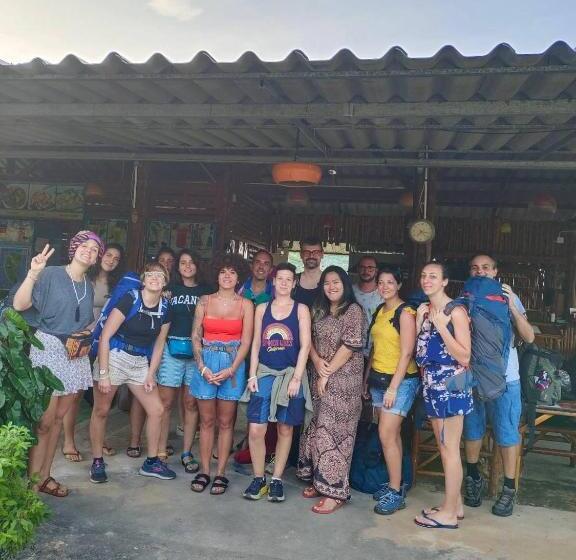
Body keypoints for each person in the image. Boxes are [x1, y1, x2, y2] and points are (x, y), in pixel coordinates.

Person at [13, 231, 104, 497]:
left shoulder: (88, 285)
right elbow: (20, 304)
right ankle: (32, 483)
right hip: (49, 349)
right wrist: (33, 273)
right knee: (44, 422)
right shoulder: (51, 274)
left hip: (74, 353)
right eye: (84, 245)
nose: (89, 251)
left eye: (94, 249)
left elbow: (83, 320)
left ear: (96, 259)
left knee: (57, 421)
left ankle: (44, 476)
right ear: (74, 248)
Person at [89, 261, 176, 483]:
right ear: (143, 279)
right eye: (150, 274)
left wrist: (151, 374)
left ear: (165, 281)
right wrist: (104, 373)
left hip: (139, 362)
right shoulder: (131, 298)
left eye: (160, 275)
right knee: (101, 410)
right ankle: (97, 461)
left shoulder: (165, 307)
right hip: (115, 356)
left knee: (156, 410)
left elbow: (159, 343)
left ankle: (152, 461)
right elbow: (106, 336)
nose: (155, 278)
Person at [463, 254, 534, 517]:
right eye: (475, 268)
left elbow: (529, 336)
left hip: (507, 378)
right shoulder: (465, 296)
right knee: (472, 430)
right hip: (472, 376)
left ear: (495, 271)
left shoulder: (508, 297)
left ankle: (509, 488)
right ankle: (473, 477)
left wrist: (513, 306)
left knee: (507, 433)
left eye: (485, 268)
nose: (480, 272)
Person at [297, 266, 365, 514]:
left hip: (344, 381)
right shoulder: (320, 309)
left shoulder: (353, 310)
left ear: (345, 284)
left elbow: (349, 347)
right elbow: (309, 340)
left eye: (336, 282)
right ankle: (320, 480)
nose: (331, 286)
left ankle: (335, 492)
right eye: (327, 283)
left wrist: (326, 373)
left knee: (336, 434)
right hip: (319, 376)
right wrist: (316, 362)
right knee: (318, 429)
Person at [242, 262, 312, 502]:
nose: (283, 283)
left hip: (290, 375)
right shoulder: (262, 308)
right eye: (279, 278)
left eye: (288, 279)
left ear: (294, 283)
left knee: (285, 428)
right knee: (256, 428)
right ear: (273, 281)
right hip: (264, 373)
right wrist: (252, 374)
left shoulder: (301, 309)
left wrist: (297, 378)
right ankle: (258, 477)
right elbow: (255, 344)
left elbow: (305, 346)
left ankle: (276, 479)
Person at [190, 254, 254, 495]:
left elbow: (246, 341)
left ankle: (221, 473)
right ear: (216, 275)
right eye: (223, 271)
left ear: (239, 277)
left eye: (232, 272)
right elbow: (195, 336)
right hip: (206, 361)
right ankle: (205, 470)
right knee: (206, 421)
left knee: (226, 422)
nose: (227, 276)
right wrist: (202, 367)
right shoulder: (204, 301)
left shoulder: (246, 304)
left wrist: (232, 368)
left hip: (232, 362)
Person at [413, 262, 472, 529]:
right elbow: (421, 352)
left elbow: (465, 356)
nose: (427, 280)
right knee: (444, 447)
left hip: (451, 388)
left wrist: (442, 327)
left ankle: (448, 514)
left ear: (445, 281)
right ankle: (454, 505)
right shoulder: (425, 310)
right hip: (433, 386)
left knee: (450, 450)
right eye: (424, 275)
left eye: (433, 276)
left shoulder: (455, 312)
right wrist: (420, 322)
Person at [61, 243, 125, 463]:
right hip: (82, 341)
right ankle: (69, 441)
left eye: (116, 258)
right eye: (108, 255)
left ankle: (98, 439)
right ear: (99, 256)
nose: (111, 260)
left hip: (105, 344)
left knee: (102, 398)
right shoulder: (84, 277)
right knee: (75, 394)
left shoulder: (119, 285)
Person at [364, 267, 419, 515]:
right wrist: (366, 379)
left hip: (401, 382)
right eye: (381, 282)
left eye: (390, 282)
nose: (384, 286)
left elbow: (407, 352)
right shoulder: (380, 310)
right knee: (391, 434)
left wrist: (393, 388)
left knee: (386, 434)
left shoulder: (405, 313)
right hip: (379, 378)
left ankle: (396, 492)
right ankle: (395, 483)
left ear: (399, 285)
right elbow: (375, 348)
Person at [156, 250, 210, 471]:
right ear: (177, 267)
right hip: (171, 348)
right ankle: (160, 450)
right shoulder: (169, 289)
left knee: (190, 403)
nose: (187, 266)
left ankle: (187, 452)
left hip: (196, 352)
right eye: (183, 262)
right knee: (165, 402)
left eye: (191, 262)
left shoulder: (206, 291)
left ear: (198, 265)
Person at [127, 246, 177, 457]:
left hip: (162, 348)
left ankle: (155, 448)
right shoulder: (139, 292)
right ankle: (134, 441)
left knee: (156, 397)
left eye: (170, 261)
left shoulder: (174, 287)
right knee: (139, 398)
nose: (166, 264)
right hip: (138, 348)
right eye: (162, 260)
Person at [352, 255, 384, 360]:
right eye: (362, 267)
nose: (366, 271)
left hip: (377, 351)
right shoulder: (350, 291)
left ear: (376, 270)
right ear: (358, 269)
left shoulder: (383, 293)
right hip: (352, 350)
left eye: (370, 268)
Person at [293, 238, 323, 309]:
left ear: (322, 254)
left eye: (316, 252)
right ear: (301, 255)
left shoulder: (330, 282)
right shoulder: (292, 281)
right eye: (307, 252)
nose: (311, 256)